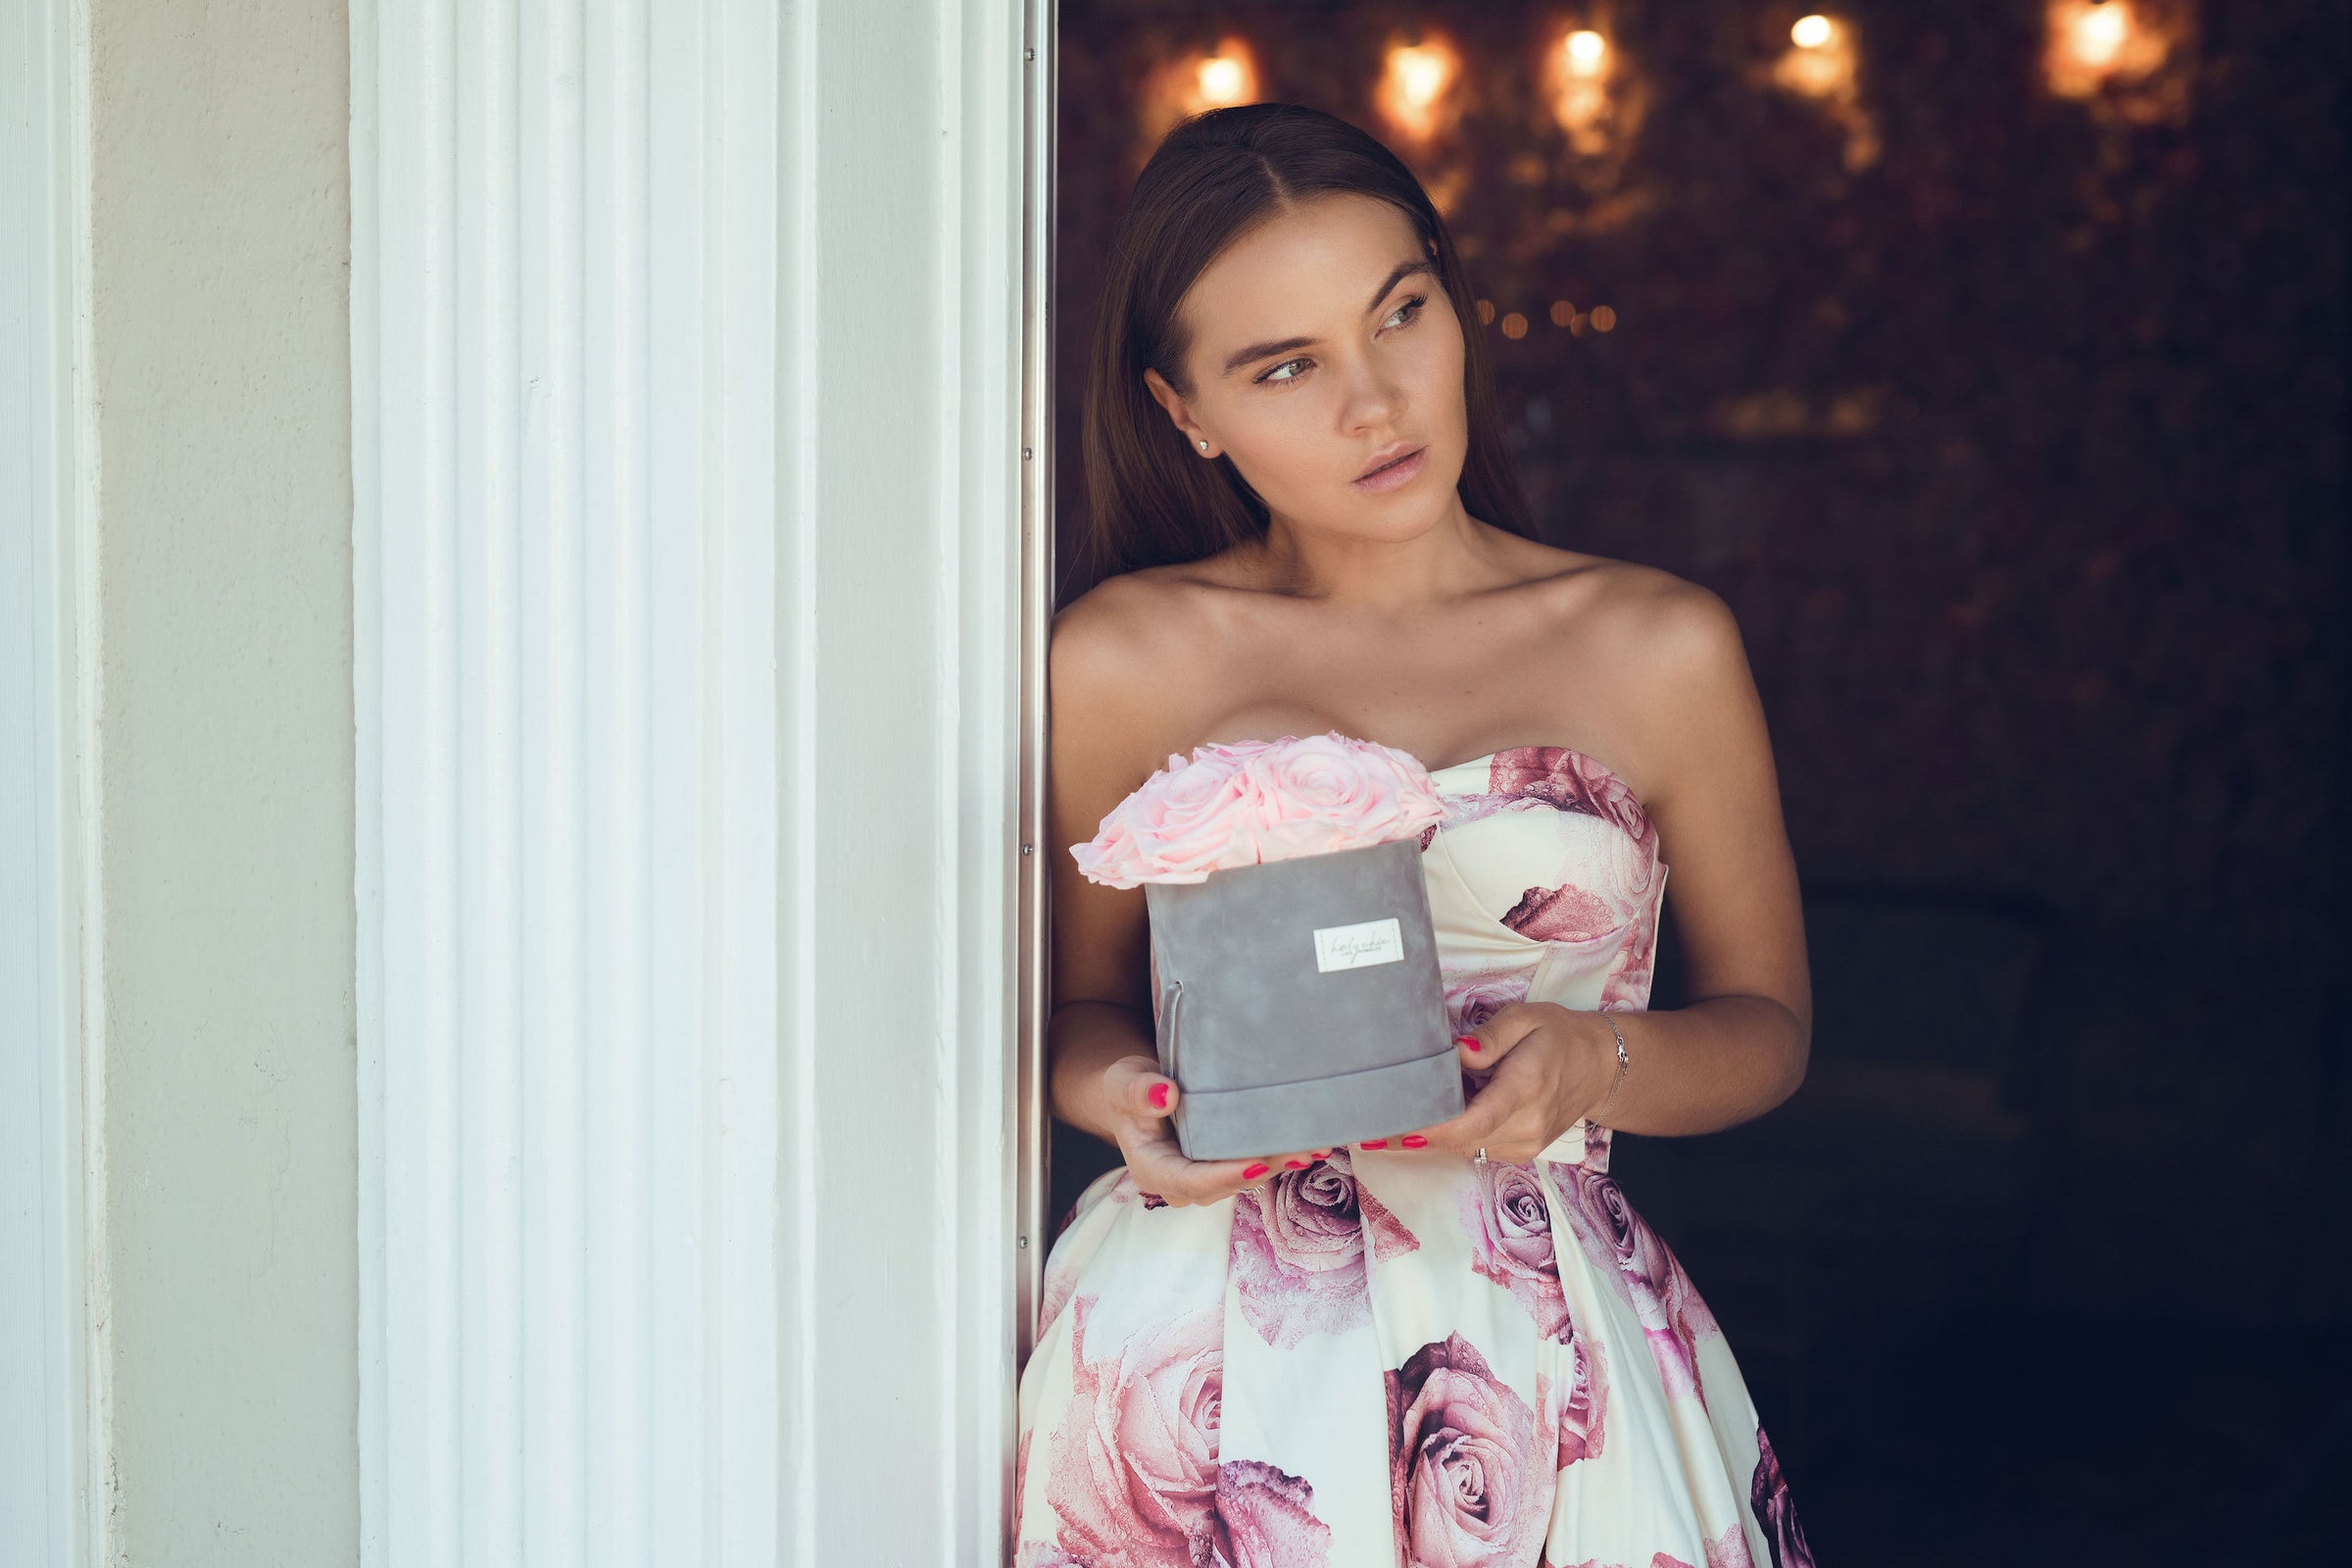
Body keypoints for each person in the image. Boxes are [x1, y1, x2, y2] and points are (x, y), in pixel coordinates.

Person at [1017, 102, 1816, 1568]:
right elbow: (1071, 1010)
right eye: (1286, 367)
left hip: (1541, 1344)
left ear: (1455, 303)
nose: (1375, 402)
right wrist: (1126, 1098)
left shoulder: (1655, 644)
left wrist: (1600, 1060)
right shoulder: (1125, 658)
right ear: (1185, 411)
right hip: (1198, 1354)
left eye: (1400, 316)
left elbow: (1769, 1032)